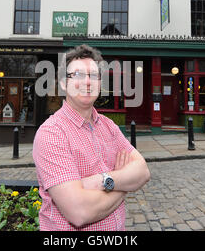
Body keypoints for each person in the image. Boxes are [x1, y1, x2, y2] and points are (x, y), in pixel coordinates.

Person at [32, 44, 150, 230]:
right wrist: (123, 183)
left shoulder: (108, 125)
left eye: (93, 76)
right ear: (63, 83)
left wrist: (102, 181)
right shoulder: (52, 133)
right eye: (77, 75)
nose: (87, 82)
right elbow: (80, 212)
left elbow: (143, 171)